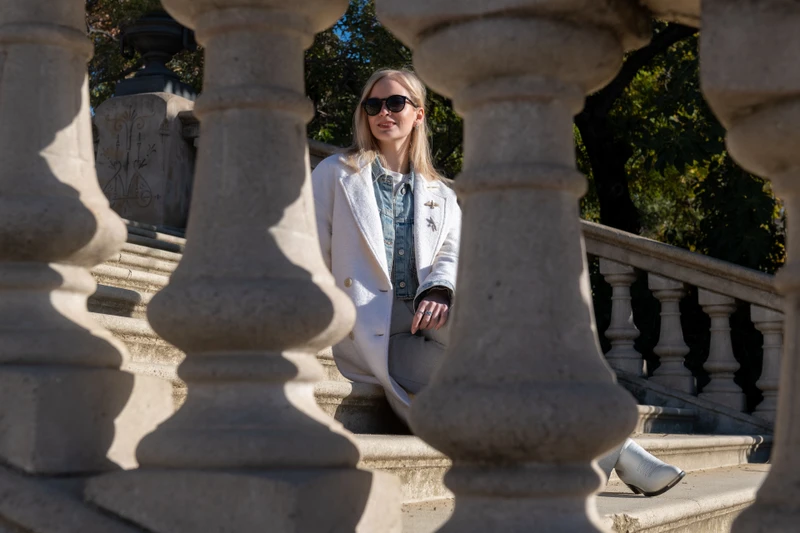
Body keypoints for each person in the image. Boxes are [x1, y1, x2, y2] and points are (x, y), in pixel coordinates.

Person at [311, 68, 685, 497]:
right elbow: (314, 249)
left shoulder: (440, 192)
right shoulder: (336, 173)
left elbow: (451, 253)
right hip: (375, 329)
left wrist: (440, 289)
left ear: (418, 114)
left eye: (395, 103)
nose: (383, 113)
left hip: (432, 312)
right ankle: (620, 451)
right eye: (373, 105)